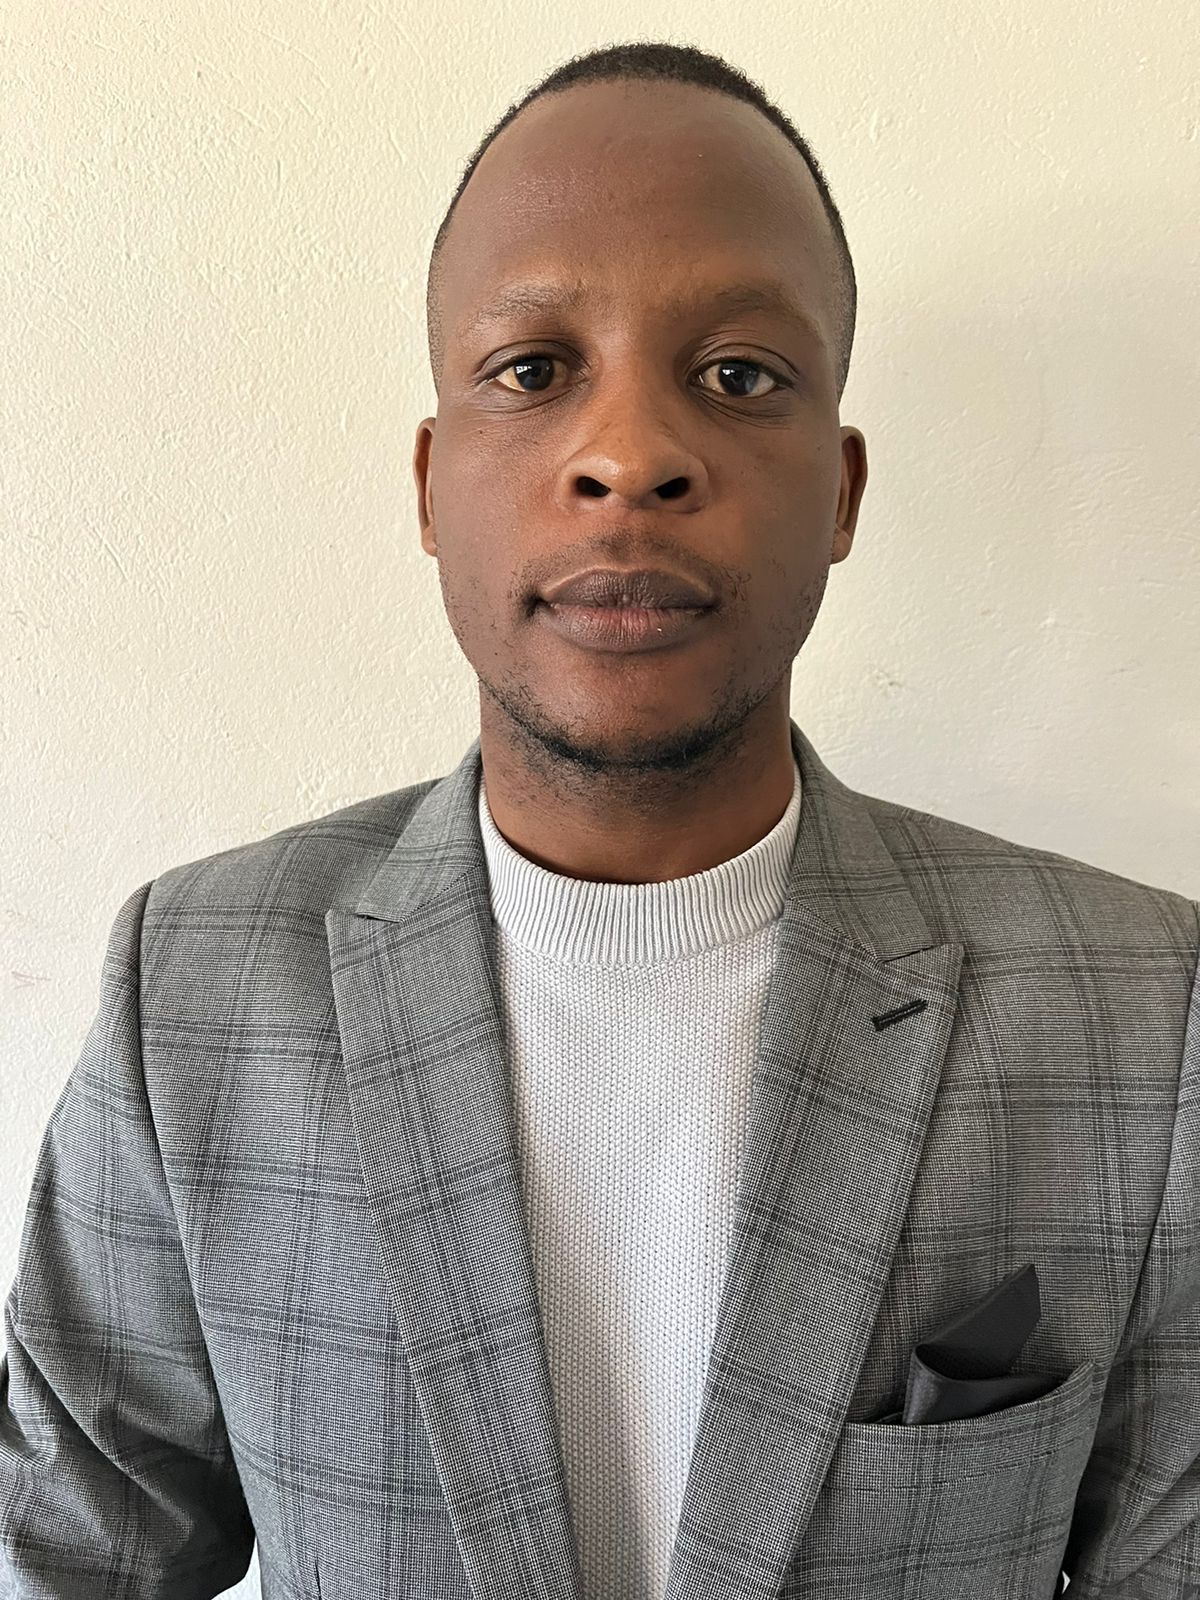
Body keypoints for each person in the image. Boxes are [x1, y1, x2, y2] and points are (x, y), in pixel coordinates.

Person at [1, 38, 1196, 1600]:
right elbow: (61, 1557)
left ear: (841, 493)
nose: (630, 458)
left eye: (740, 375)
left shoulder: (1142, 1016)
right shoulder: (199, 991)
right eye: (533, 370)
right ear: (431, 486)